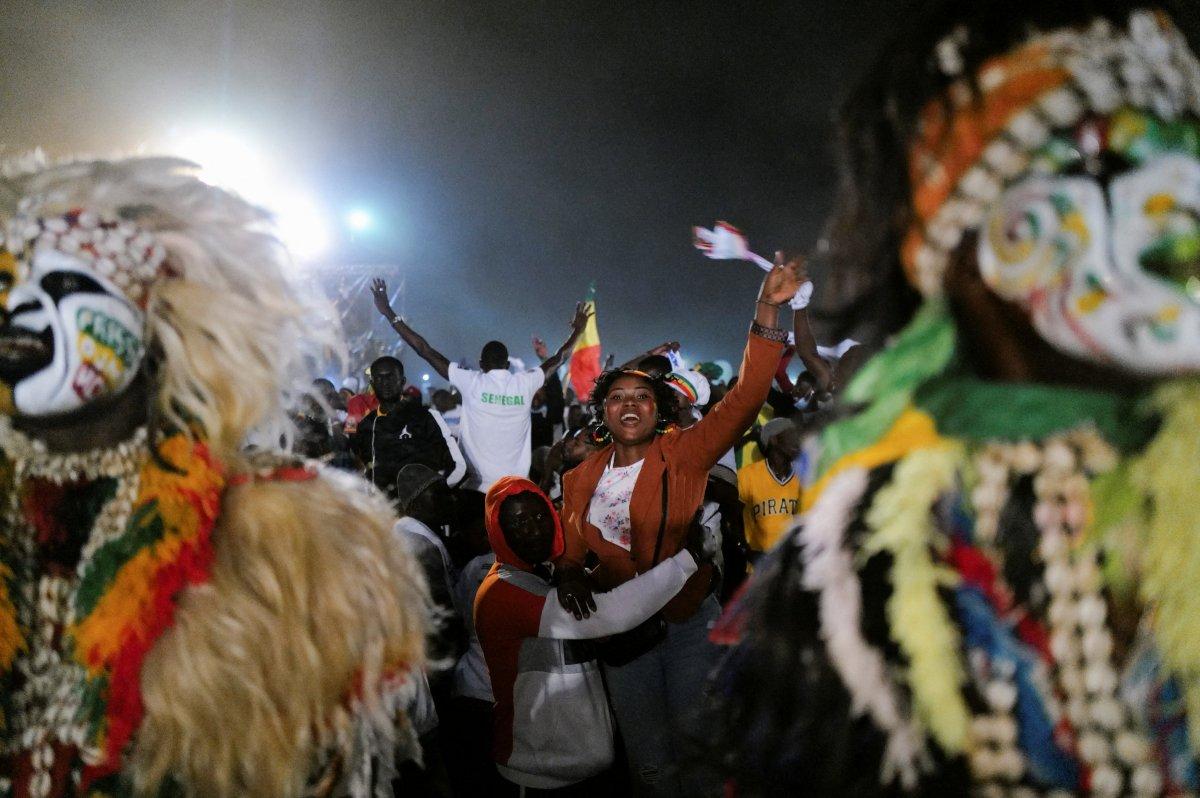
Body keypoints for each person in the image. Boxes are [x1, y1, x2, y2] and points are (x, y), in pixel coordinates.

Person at [707, 3, 1200, 796]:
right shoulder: (872, 569)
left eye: (1187, 147)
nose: (1179, 201)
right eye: (1103, 165)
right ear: (965, 252)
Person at [0, 157, 429, 797]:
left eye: (63, 283)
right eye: (4, 280)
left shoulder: (288, 541)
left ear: (156, 315)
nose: (18, 305)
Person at [556, 254, 803, 796]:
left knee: (697, 751)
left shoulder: (685, 454)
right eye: (618, 397)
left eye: (642, 396)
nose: (630, 404)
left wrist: (766, 310)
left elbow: (745, 399)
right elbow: (571, 552)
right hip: (624, 632)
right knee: (648, 759)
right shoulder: (579, 480)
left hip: (687, 621)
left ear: (659, 409)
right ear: (603, 412)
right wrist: (569, 572)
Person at [475, 476, 709, 796]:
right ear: (498, 531)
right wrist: (688, 559)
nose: (534, 529)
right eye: (519, 522)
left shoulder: (549, 577)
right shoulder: (503, 592)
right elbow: (609, 614)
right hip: (537, 773)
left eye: (541, 515)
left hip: (582, 768)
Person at [370, 277, 591, 492]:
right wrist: (577, 331)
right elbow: (559, 358)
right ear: (507, 365)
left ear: (481, 364)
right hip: (516, 488)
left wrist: (388, 312)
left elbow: (424, 350)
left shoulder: (471, 381)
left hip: (477, 491)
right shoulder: (525, 383)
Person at [351, 355, 466, 499]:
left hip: (423, 507)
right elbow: (366, 468)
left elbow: (457, 465)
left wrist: (433, 495)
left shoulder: (426, 416)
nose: (385, 383)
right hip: (385, 508)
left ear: (402, 381)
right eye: (379, 378)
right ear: (372, 384)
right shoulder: (366, 425)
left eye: (390, 377)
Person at [736, 417, 802, 559]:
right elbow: (732, 519)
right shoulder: (747, 476)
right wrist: (744, 549)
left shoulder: (804, 476)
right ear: (774, 439)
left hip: (791, 564)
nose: (797, 440)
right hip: (757, 565)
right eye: (790, 435)